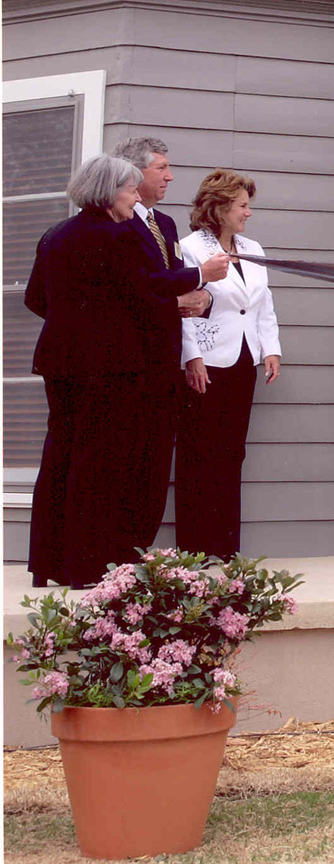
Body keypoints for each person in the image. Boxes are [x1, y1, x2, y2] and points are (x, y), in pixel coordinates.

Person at [25, 155, 156, 587]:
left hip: (58, 361)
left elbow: (35, 299)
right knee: (97, 459)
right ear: (107, 191)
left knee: (60, 452)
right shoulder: (116, 237)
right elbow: (147, 291)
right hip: (106, 365)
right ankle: (84, 567)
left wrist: (72, 320)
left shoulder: (54, 235)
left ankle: (46, 565)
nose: (137, 198)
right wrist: (201, 276)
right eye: (131, 190)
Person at [112, 137, 231, 547]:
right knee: (127, 458)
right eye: (161, 167)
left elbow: (180, 286)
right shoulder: (115, 223)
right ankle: (120, 553)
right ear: (133, 173)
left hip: (166, 360)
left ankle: (139, 549)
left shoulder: (163, 224)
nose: (170, 175)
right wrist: (195, 283)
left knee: (157, 459)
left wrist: (203, 298)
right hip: (128, 361)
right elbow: (139, 290)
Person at [174, 169, 282, 558]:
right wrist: (192, 357)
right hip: (206, 363)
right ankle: (195, 550)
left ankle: (225, 547)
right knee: (198, 454)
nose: (249, 213)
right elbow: (184, 306)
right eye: (242, 206)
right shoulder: (189, 248)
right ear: (218, 209)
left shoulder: (252, 248)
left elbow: (262, 304)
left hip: (242, 361)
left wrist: (270, 349)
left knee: (231, 453)